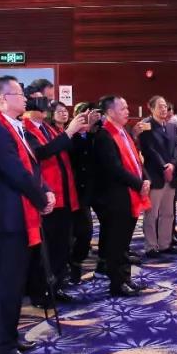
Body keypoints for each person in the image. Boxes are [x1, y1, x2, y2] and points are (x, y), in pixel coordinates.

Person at [0, 77, 55, 354]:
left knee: (15, 282)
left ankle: (10, 336)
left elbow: (30, 167)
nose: (26, 99)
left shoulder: (11, 126)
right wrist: (41, 198)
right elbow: (14, 172)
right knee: (7, 284)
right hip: (7, 217)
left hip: (19, 214)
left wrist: (45, 189)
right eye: (19, 94)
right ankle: (3, 347)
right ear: (2, 99)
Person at [23, 86, 86, 305]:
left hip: (64, 194)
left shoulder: (47, 127)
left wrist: (78, 132)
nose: (48, 105)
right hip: (48, 196)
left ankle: (56, 286)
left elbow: (66, 149)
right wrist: (69, 132)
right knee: (47, 249)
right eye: (44, 100)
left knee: (62, 247)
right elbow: (41, 152)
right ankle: (41, 292)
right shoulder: (25, 128)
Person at [92, 95, 151, 297]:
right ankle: (117, 283)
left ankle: (125, 278)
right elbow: (114, 169)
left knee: (124, 242)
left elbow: (136, 160)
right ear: (110, 112)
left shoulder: (122, 131)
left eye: (127, 107)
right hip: (115, 196)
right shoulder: (104, 136)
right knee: (116, 242)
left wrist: (145, 179)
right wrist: (139, 184)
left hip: (129, 193)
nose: (127, 111)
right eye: (123, 108)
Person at [139, 96, 177, 256]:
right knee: (152, 214)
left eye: (165, 106)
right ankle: (151, 246)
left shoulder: (171, 125)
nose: (164, 109)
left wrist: (172, 164)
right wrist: (164, 166)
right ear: (151, 108)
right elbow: (149, 150)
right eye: (160, 106)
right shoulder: (146, 126)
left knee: (168, 213)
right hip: (155, 175)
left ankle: (165, 244)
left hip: (171, 175)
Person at [68, 102, 100, 284]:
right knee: (82, 230)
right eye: (84, 114)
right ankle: (74, 262)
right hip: (74, 190)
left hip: (92, 188)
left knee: (86, 230)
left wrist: (92, 129)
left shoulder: (94, 133)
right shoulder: (69, 134)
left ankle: (78, 260)